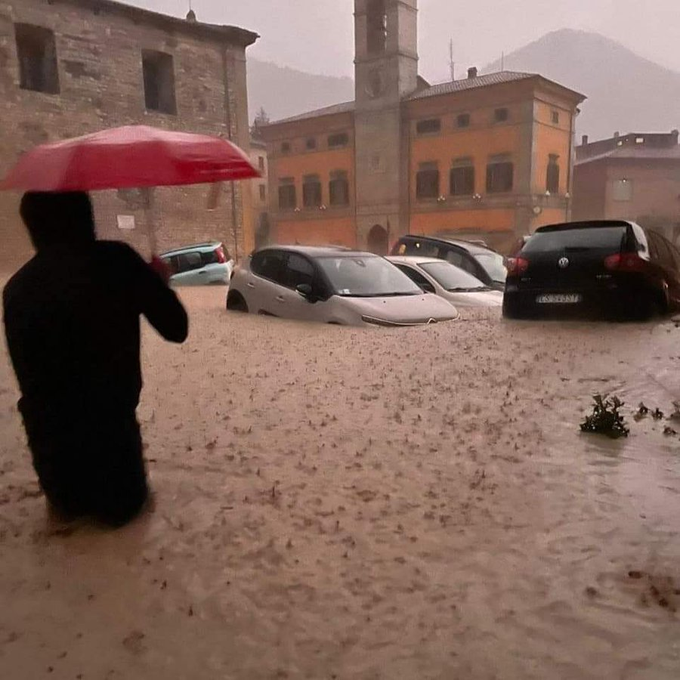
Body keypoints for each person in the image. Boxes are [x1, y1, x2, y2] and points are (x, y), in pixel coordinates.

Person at [2, 192, 189, 527]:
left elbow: (30, 383)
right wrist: (158, 285)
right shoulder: (118, 262)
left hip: (57, 478)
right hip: (119, 472)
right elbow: (177, 328)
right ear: (87, 217)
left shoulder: (17, 289)